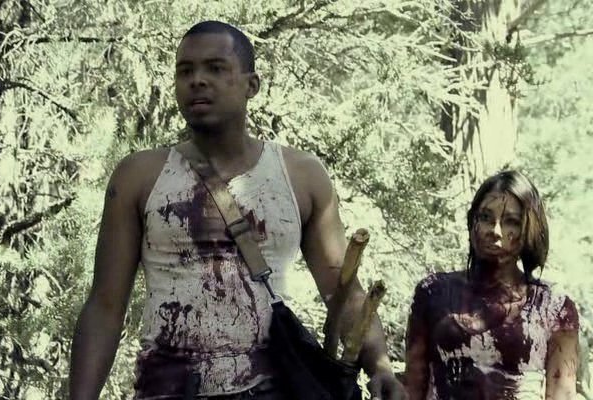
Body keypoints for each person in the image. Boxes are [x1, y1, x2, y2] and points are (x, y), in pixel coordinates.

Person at [68, 20, 406, 400]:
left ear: (252, 85)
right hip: (168, 388)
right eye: (185, 71)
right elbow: (105, 305)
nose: (197, 80)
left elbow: (342, 293)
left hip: (271, 390)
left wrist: (380, 366)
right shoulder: (139, 176)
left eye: (216, 68)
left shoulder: (300, 176)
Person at [404, 170, 580, 399]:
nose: (495, 231)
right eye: (486, 217)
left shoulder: (553, 307)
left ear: (529, 230)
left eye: (511, 222)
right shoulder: (433, 292)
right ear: (472, 222)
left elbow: (562, 394)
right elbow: (413, 387)